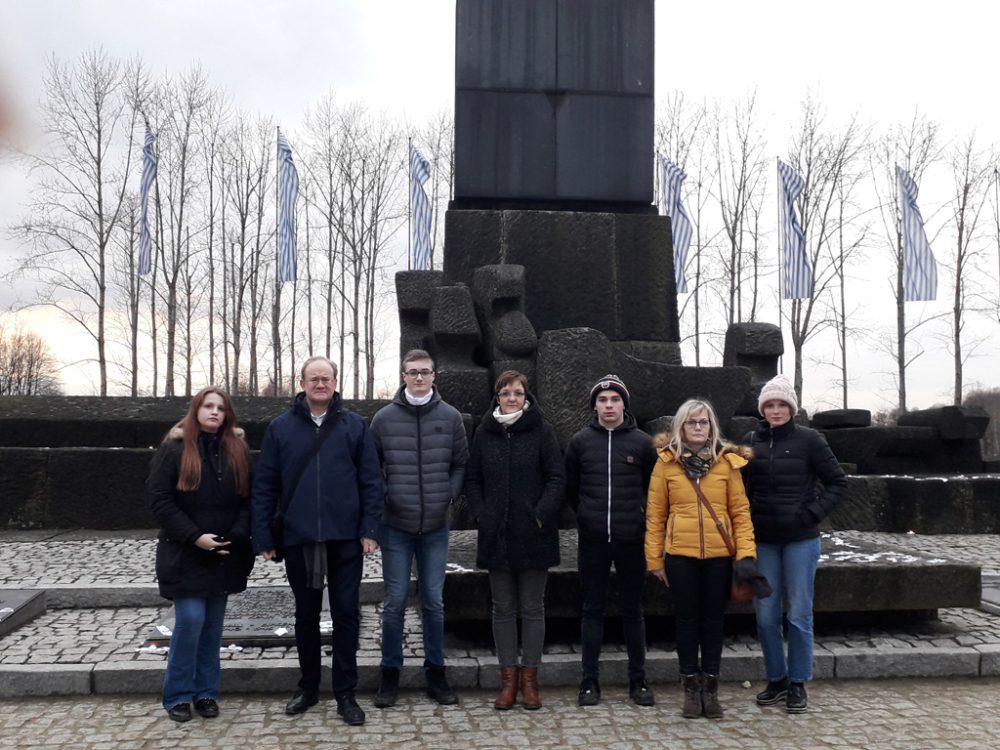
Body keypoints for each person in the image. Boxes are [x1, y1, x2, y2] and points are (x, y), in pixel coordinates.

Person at [251, 356, 383, 726]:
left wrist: (370, 530)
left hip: (345, 539)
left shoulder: (356, 426)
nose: (320, 383)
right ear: (302, 382)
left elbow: (372, 482)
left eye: (326, 378)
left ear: (335, 382)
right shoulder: (280, 429)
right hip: (300, 538)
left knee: (345, 615)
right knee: (305, 616)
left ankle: (345, 692)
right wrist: (262, 535)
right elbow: (266, 486)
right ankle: (308, 687)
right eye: (314, 378)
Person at [645, 398, 758, 719]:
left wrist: (746, 554)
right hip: (680, 556)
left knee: (713, 624)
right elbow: (655, 515)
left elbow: (740, 513)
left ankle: (711, 690)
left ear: (712, 426)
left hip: (719, 558)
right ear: (681, 426)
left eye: (703, 422)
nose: (698, 427)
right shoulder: (666, 463)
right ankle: (690, 690)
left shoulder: (728, 464)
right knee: (686, 623)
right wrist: (654, 559)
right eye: (692, 422)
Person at [370, 349, 469, 708]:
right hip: (395, 526)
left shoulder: (450, 417)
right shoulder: (383, 419)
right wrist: (384, 498)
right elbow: (371, 466)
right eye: (412, 372)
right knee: (394, 601)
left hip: (435, 527)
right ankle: (389, 674)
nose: (419, 378)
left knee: (434, 601)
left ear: (434, 375)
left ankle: (436, 673)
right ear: (403, 374)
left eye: (425, 372)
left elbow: (461, 463)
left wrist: (450, 495)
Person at [148, 387, 254, 723]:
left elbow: (249, 499)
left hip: (223, 551)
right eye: (208, 406)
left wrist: (235, 535)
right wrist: (195, 537)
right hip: (185, 552)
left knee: (212, 627)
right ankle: (178, 695)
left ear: (227, 414)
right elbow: (160, 501)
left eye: (220, 408)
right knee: (191, 620)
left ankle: (206, 692)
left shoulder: (236, 449)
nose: (214, 412)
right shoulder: (174, 449)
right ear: (196, 410)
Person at [744, 374, 846, 714]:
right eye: (769, 405)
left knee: (800, 612)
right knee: (766, 614)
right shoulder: (750, 441)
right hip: (765, 540)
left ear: (791, 407)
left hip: (801, 539)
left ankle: (799, 682)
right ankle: (777, 678)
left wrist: (812, 513)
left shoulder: (810, 440)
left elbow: (837, 482)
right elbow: (739, 490)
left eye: (781, 405)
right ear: (763, 408)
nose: (775, 410)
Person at [464, 371, 565, 710]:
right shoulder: (485, 432)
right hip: (496, 534)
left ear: (526, 396)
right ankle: (508, 681)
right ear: (497, 396)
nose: (511, 397)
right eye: (505, 392)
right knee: (503, 609)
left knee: (533, 609)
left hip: (534, 534)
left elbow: (556, 477)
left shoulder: (542, 431)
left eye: (518, 392)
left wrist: (540, 514)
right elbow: (473, 478)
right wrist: (481, 513)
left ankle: (530, 681)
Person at [565, 374, 657, 708]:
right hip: (593, 540)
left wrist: (639, 520)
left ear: (623, 404)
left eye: (614, 400)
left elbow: (653, 489)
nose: (608, 406)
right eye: (602, 400)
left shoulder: (643, 443)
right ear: (595, 406)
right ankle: (589, 682)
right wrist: (587, 516)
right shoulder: (579, 442)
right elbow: (571, 489)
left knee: (633, 610)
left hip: (631, 539)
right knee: (592, 610)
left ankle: (639, 680)